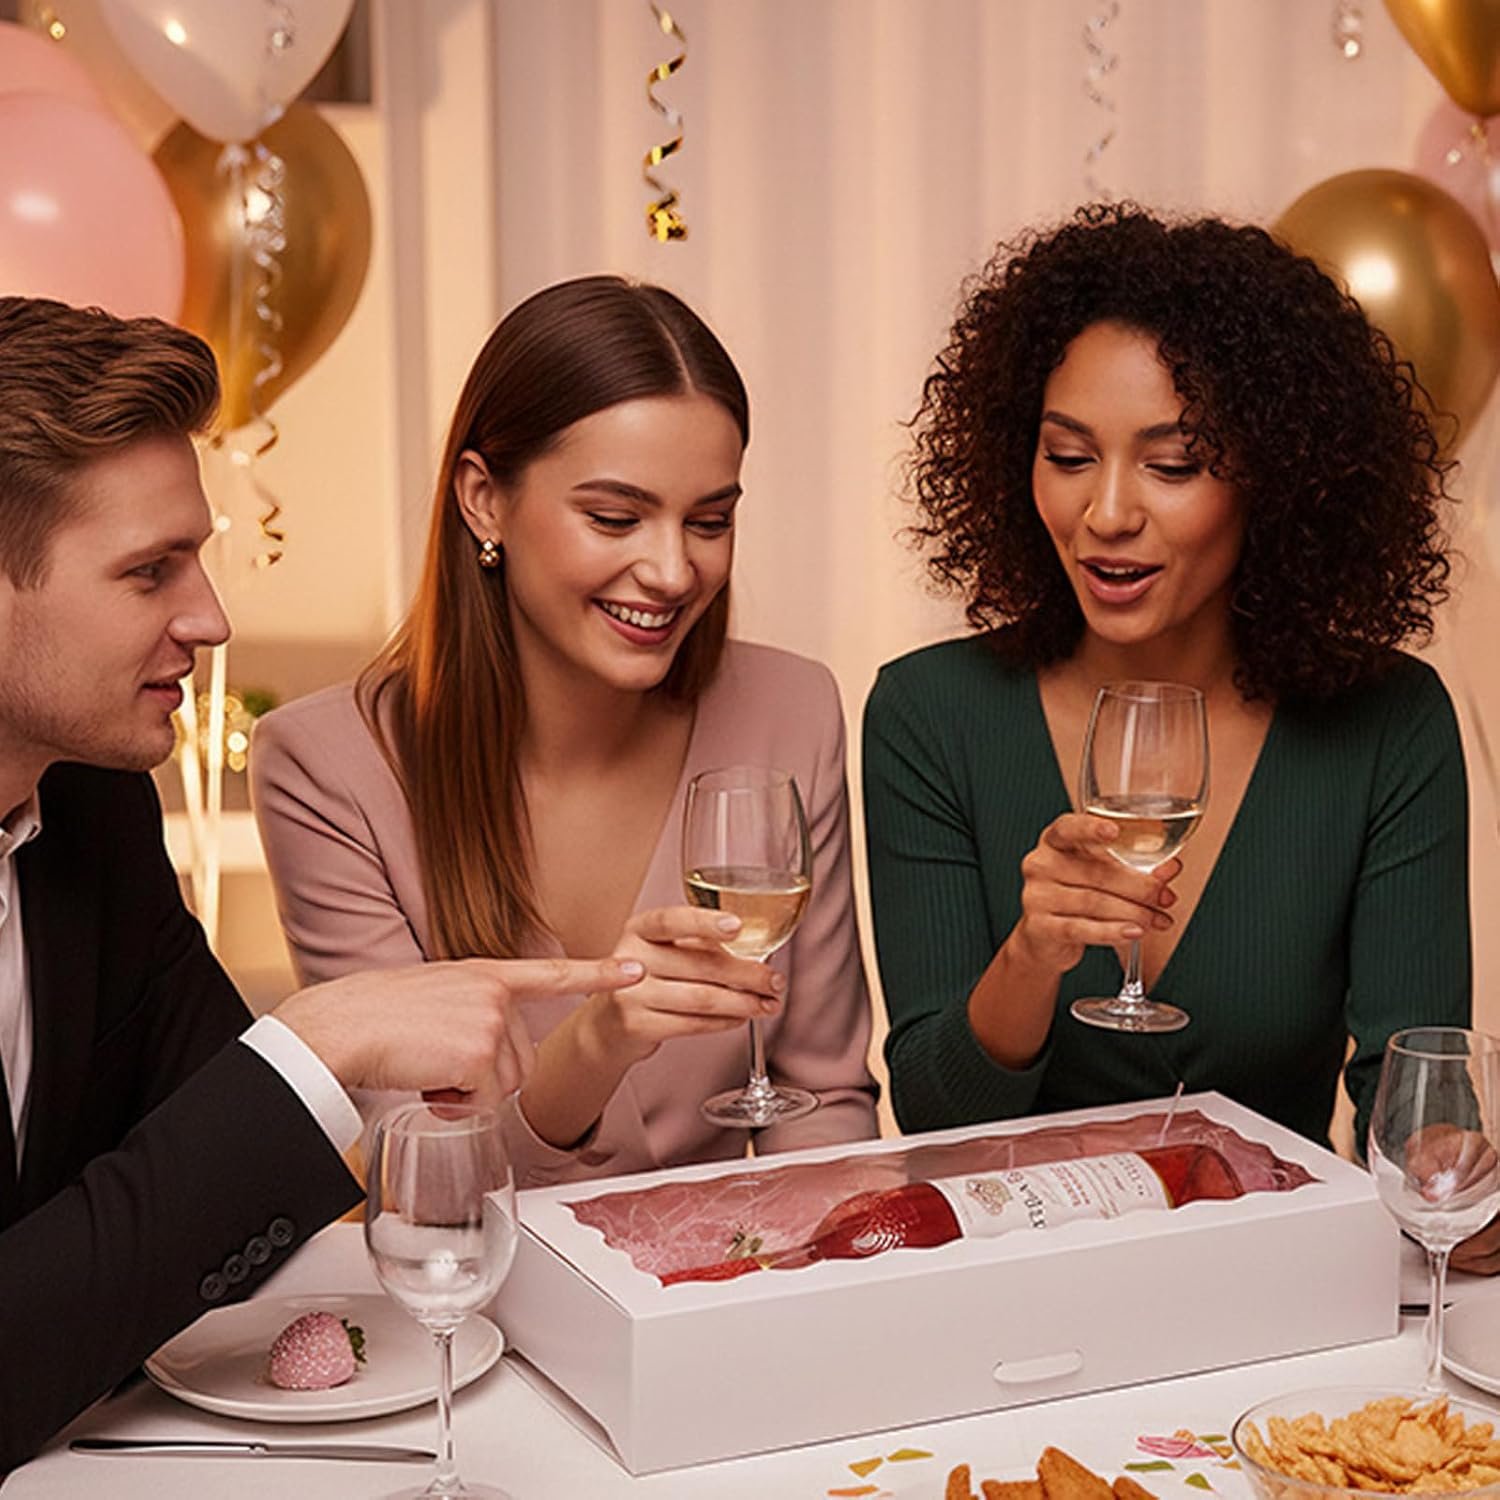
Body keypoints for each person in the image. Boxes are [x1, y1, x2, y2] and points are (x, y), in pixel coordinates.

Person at [0, 296, 649, 1474]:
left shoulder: (92, 806)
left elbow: (203, 1165)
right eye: (150, 572)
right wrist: (319, 1041)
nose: (210, 616)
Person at [863, 204, 1491, 1269]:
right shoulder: (931, 715)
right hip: (1014, 1299)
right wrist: (1034, 953)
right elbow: (932, 1118)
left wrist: (1448, 1174)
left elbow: (1405, 1086)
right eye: (1069, 455)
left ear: (1277, 477)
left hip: (1281, 1298)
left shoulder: (1389, 724)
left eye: (1175, 463)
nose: (1107, 512)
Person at [252, 275, 878, 1185]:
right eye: (614, 517)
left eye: (710, 520)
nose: (671, 570)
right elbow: (421, 1172)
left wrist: (797, 1294)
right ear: (483, 500)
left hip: (738, 1289)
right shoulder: (325, 768)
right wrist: (598, 1044)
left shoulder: (794, 709)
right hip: (481, 1314)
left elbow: (820, 1102)